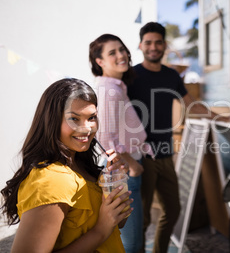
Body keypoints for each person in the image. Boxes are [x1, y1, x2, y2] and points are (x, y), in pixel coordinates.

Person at [127, 22, 230, 253]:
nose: (153, 47)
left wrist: (219, 117)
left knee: (172, 210)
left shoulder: (171, 76)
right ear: (141, 45)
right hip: (142, 156)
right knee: (142, 219)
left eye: (158, 42)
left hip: (166, 154)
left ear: (164, 45)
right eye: (148, 42)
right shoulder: (131, 76)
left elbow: (191, 105)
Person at [0, 78, 132, 252]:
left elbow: (118, 222)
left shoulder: (82, 165)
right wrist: (100, 231)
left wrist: (113, 180)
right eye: (74, 119)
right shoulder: (51, 180)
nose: (86, 128)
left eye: (91, 117)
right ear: (52, 121)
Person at [89, 33, 154, 253]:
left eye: (122, 49)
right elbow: (105, 138)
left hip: (127, 168)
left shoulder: (116, 86)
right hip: (124, 171)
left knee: (132, 238)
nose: (121, 55)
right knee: (131, 243)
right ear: (100, 62)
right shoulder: (109, 90)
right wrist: (132, 165)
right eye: (112, 52)